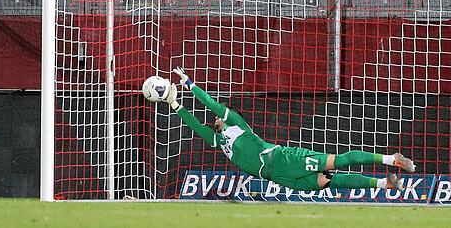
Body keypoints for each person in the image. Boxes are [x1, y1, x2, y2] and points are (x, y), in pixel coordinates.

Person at [164, 67, 415, 193]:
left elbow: (210, 103)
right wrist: (175, 104)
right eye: (215, 120)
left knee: (336, 162)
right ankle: (385, 183)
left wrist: (189, 84)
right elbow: (196, 126)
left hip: (283, 158)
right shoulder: (217, 141)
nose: (215, 119)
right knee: (330, 180)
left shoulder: (237, 125)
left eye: (218, 118)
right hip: (278, 177)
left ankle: (391, 159)